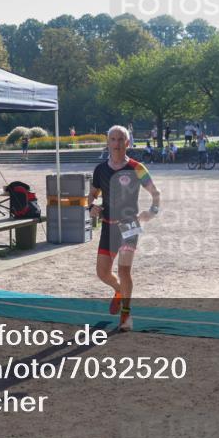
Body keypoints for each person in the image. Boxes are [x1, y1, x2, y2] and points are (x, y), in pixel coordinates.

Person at [88, 126, 161, 332]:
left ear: (127, 143)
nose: (117, 143)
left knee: (123, 270)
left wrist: (152, 211)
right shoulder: (100, 169)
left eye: (121, 139)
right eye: (113, 139)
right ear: (108, 142)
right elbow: (92, 195)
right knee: (102, 273)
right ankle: (120, 291)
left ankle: (126, 315)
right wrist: (91, 206)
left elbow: (156, 193)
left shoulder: (137, 168)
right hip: (108, 226)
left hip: (130, 226)